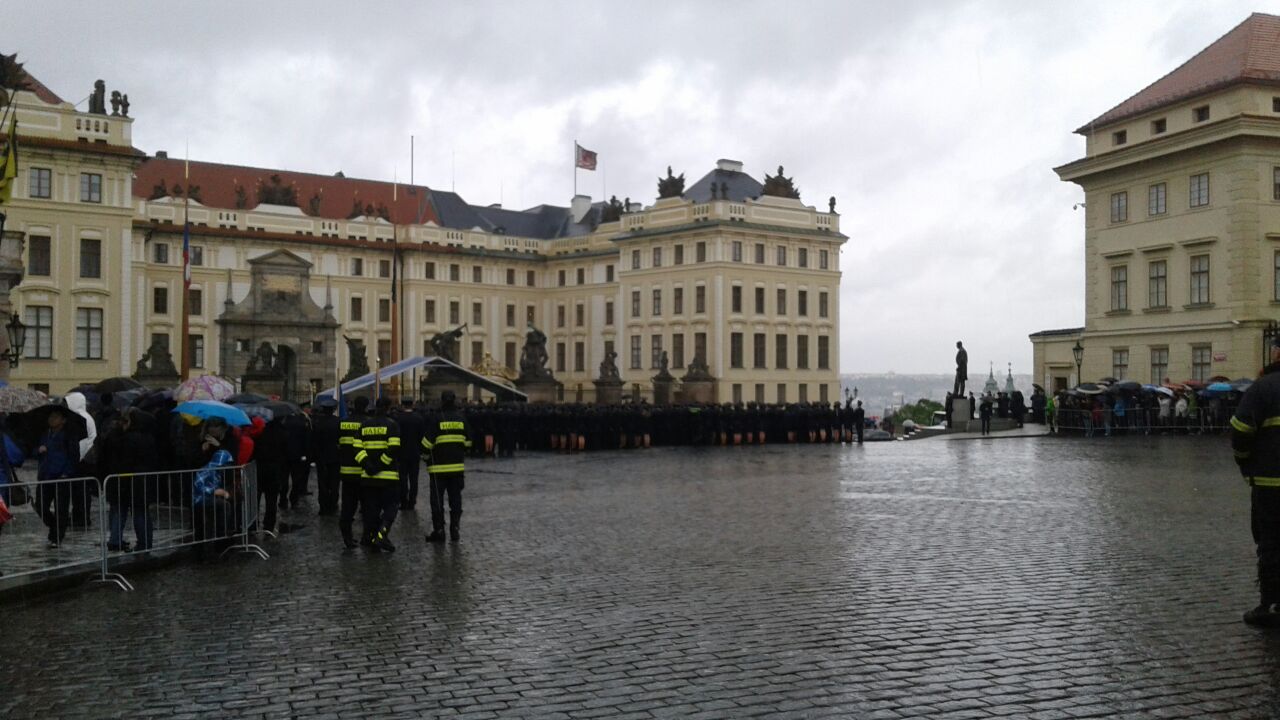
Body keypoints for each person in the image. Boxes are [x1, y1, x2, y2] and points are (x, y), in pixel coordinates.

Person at [1232, 338, 1280, 626]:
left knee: (1271, 542)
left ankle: (1271, 604)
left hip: (1270, 483)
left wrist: (1245, 461)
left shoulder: (1263, 387)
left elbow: (1240, 429)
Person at [100, 408, 159, 552]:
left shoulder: (125, 438)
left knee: (123, 511)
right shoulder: (148, 438)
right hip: (141, 481)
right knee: (140, 512)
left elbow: (121, 461)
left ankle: (117, 541)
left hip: (126, 481)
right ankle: (144, 543)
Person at [423, 390, 471, 543]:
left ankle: (439, 530)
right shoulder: (461, 418)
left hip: (437, 470)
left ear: (442, 401)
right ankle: (455, 528)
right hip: (456, 468)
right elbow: (469, 442)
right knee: (455, 500)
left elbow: (426, 444)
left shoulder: (437, 418)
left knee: (437, 501)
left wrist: (426, 458)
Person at [356, 396, 401, 552]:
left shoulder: (364, 425)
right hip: (388, 476)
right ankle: (381, 535)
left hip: (368, 477)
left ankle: (372, 537)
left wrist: (368, 465)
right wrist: (380, 464)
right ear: (388, 408)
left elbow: (357, 448)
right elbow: (393, 448)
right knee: (391, 507)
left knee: (371, 509)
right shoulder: (392, 425)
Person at [36, 407, 79, 548]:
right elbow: (35, 451)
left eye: (55, 417)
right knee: (40, 506)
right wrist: (39, 450)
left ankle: (56, 537)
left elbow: (73, 455)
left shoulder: (68, 436)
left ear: (63, 420)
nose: (51, 419)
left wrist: (66, 473)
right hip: (45, 475)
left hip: (61, 477)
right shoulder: (45, 434)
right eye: (51, 417)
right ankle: (54, 526)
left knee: (61, 508)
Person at [337, 396, 369, 549]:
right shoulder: (368, 423)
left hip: (347, 471)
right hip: (365, 471)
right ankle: (366, 536)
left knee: (348, 508)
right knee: (368, 506)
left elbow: (338, 444)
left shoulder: (343, 423)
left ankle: (347, 537)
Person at [310, 398, 341, 516]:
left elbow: (313, 441)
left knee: (322, 482)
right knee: (334, 482)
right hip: (335, 456)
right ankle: (333, 504)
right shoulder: (338, 422)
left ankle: (323, 506)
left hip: (321, 456)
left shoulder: (317, 422)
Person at [394, 398, 425, 511]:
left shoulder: (398, 418)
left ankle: (404, 501)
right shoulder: (419, 418)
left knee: (402, 479)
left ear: (402, 405)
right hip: (415, 453)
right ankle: (412, 501)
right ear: (412, 405)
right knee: (414, 479)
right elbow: (422, 436)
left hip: (401, 453)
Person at [282, 410, 312, 507]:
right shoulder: (302, 422)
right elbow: (307, 440)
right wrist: (306, 455)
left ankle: (283, 499)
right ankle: (294, 498)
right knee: (296, 479)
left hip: (285, 455)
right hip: (298, 455)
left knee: (284, 479)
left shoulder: (284, 422)